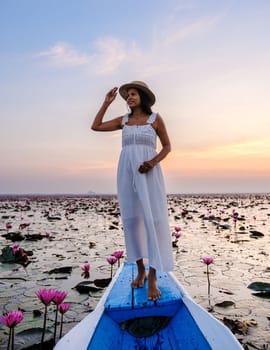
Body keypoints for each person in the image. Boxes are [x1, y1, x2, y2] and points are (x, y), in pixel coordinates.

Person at [91, 81, 174, 300]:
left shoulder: (155, 119)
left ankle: (153, 276)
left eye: (133, 94)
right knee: (131, 219)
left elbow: (167, 146)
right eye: (127, 95)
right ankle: (140, 269)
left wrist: (152, 162)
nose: (129, 97)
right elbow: (96, 126)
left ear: (143, 97)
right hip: (126, 172)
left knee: (154, 220)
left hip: (149, 172)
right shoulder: (124, 121)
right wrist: (106, 103)